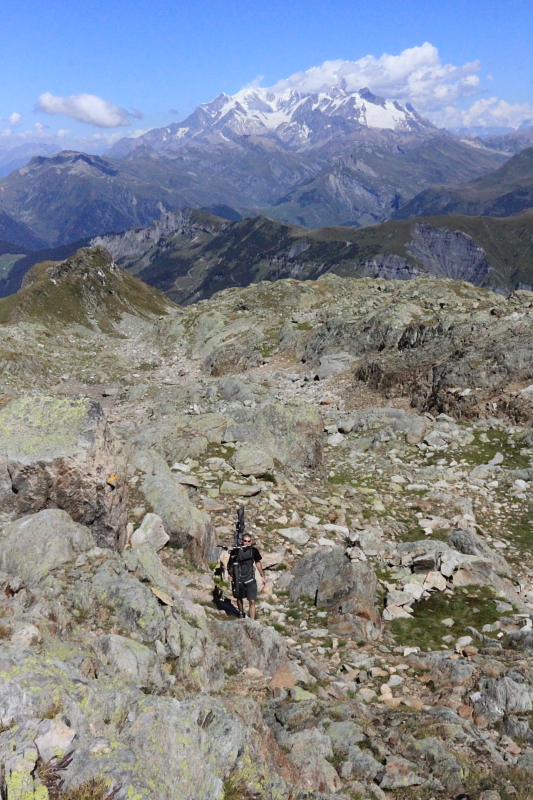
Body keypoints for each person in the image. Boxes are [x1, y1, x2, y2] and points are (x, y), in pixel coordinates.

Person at [228, 533, 266, 619]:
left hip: (250, 578)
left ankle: (252, 620)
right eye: (245, 541)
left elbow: (258, 563)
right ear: (242, 541)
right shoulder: (236, 551)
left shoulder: (254, 551)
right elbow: (230, 563)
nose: (247, 543)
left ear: (251, 541)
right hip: (239, 579)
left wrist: (263, 576)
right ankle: (241, 613)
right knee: (239, 597)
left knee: (252, 600)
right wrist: (230, 574)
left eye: (249, 541)